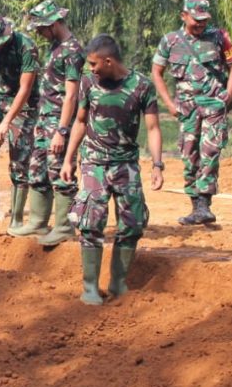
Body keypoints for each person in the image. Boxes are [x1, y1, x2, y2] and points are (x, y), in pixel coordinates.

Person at [62, 35, 164, 305]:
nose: (91, 68)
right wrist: (68, 159)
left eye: (94, 63)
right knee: (90, 222)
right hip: (94, 162)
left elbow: (153, 128)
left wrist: (157, 164)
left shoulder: (142, 86)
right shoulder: (88, 84)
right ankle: (90, 288)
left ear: (108, 61)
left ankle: (118, 284)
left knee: (132, 224)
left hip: (126, 164)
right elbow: (80, 123)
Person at [152, 0, 232, 225]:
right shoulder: (170, 41)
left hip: (213, 105)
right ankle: (195, 205)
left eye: (203, 20)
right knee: (189, 153)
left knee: (210, 152)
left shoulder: (220, 37)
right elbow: (156, 72)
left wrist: (228, 95)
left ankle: (204, 204)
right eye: (195, 20)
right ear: (184, 16)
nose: (200, 24)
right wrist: (169, 104)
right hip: (187, 108)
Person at [24, 0, 86, 245]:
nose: (38, 32)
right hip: (44, 119)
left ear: (54, 23)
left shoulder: (72, 51)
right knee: (37, 169)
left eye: (42, 27)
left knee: (60, 170)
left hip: (59, 122)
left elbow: (71, 95)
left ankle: (64, 225)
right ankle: (38, 222)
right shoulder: (55, 47)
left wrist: (62, 131)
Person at [0, 11, 40, 232]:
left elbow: (25, 88)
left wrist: (7, 123)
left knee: (20, 161)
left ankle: (17, 217)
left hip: (25, 105)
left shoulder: (26, 46)